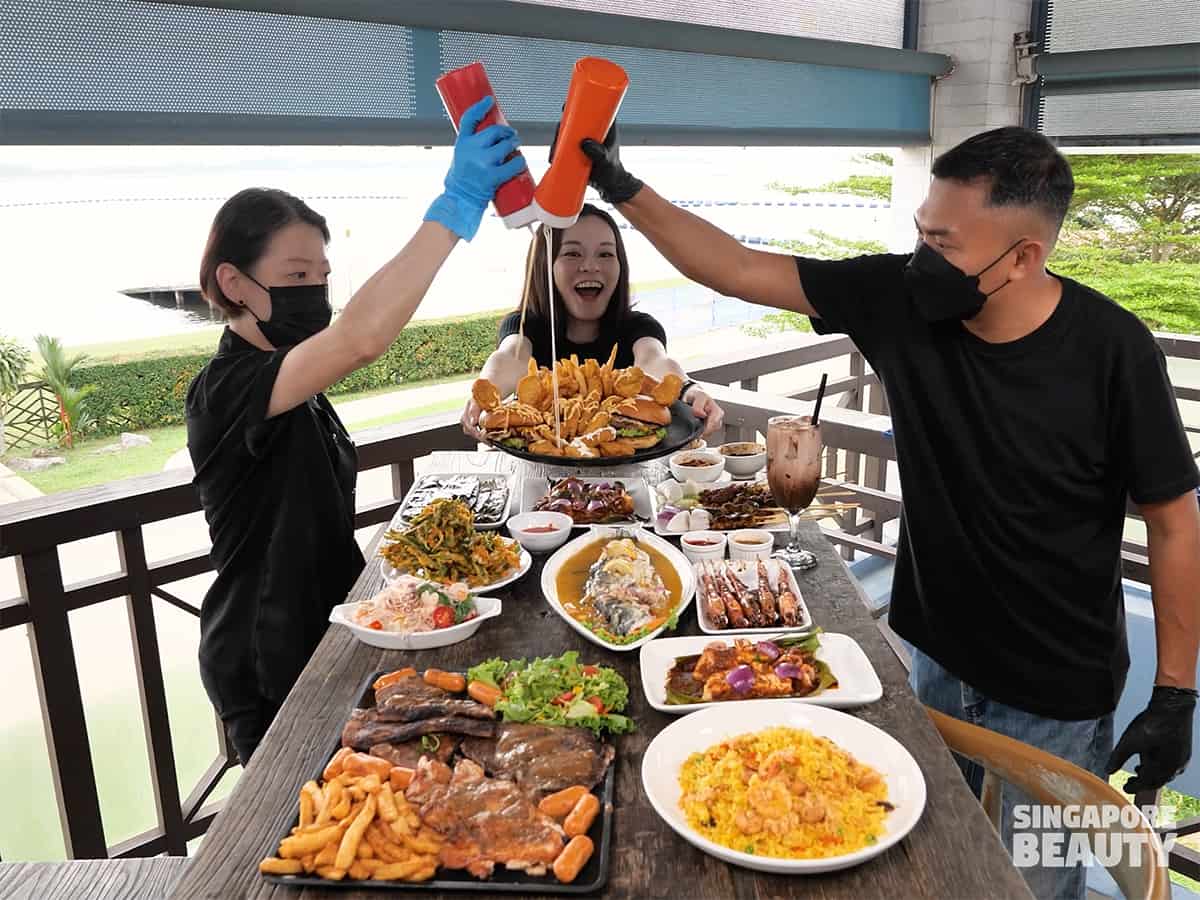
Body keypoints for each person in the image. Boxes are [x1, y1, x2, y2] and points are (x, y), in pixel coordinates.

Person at [570, 124, 1200, 900]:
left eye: (944, 241)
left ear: (1025, 257)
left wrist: (1176, 692)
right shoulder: (900, 298)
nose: (923, 257)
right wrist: (625, 190)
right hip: (932, 653)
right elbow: (735, 267)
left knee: (1031, 885)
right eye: (920, 232)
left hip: (1056, 688)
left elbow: (1174, 521)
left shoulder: (1114, 351)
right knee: (931, 862)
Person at [186, 97, 525, 764]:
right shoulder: (226, 391)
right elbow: (363, 337)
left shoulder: (296, 383)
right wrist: (455, 207)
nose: (314, 290)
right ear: (233, 281)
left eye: (321, 275)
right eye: (295, 276)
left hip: (333, 629)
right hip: (266, 658)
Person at [461, 203, 724, 438]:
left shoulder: (639, 327)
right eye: (572, 254)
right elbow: (510, 357)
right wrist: (484, 392)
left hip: (628, 476)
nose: (590, 266)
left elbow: (654, 361)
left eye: (606, 254)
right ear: (546, 265)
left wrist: (690, 389)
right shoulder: (526, 325)